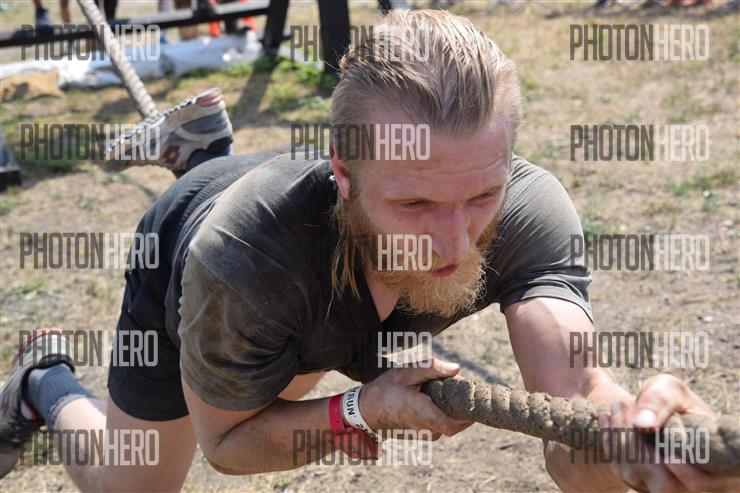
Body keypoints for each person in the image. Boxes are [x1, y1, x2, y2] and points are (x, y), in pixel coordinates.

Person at [1, 9, 738, 493]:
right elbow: (227, 443)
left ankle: (204, 151)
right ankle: (46, 384)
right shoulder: (246, 259)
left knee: (306, 337)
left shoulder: (529, 206)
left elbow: (575, 401)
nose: (455, 243)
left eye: (481, 196)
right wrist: (360, 409)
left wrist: (635, 451)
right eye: (415, 204)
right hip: (202, 254)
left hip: (307, 275)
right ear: (345, 174)